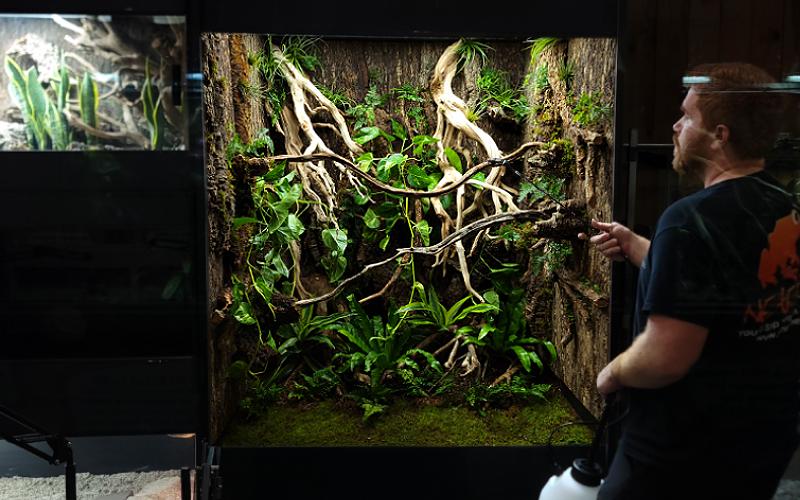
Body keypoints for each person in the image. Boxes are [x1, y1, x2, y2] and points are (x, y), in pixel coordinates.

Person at [580, 62, 800, 499]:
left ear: (720, 134)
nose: (676, 126)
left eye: (687, 117)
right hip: (758, 438)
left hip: (682, 450)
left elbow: (665, 357)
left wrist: (613, 373)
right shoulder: (782, 206)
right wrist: (640, 247)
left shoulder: (687, 219)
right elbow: (727, 286)